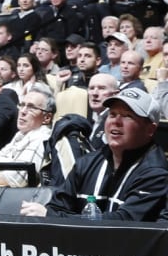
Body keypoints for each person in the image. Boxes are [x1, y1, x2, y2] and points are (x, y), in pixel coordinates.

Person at [21, 85, 168, 220]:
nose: (116, 121)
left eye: (127, 116)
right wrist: (54, 214)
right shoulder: (87, 163)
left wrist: (52, 216)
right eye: (112, 114)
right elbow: (58, 205)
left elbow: (125, 223)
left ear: (150, 129)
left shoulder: (156, 172)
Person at [0, 83, 55, 187]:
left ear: (47, 118)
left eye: (31, 107)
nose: (22, 111)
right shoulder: (21, 135)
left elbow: (15, 179)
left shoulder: (41, 138)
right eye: (22, 105)